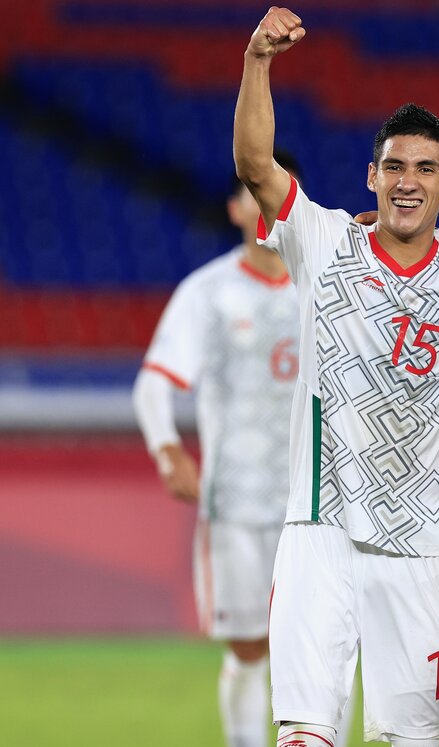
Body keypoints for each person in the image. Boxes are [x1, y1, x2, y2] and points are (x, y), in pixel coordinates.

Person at [232, 8, 439, 747]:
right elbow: (255, 166)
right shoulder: (325, 242)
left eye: (426, 169)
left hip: (424, 545)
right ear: (371, 175)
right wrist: (257, 61)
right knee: (305, 733)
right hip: (322, 529)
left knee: (416, 739)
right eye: (395, 167)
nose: (408, 183)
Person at [133, 155, 329, 747]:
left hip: (320, 503)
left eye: (277, 189)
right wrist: (167, 449)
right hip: (237, 502)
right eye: (253, 190)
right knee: (248, 649)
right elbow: (154, 382)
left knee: (320, 650)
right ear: (235, 208)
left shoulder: (330, 283)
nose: (265, 200)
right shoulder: (208, 292)